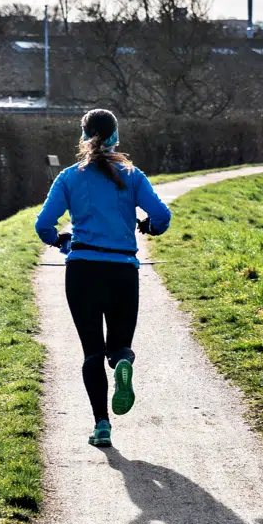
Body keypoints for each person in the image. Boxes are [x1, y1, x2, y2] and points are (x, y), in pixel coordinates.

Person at [35, 108, 171, 447]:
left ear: (83, 136)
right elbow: (161, 215)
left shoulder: (69, 177)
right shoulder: (132, 175)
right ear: (116, 136)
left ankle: (101, 426)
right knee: (119, 345)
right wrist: (150, 227)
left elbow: (43, 224)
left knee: (92, 352)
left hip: (82, 271)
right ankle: (122, 361)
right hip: (122, 270)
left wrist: (60, 241)